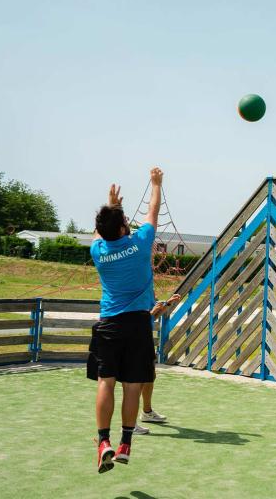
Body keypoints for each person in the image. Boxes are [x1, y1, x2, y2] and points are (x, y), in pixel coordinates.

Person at [88, 167, 164, 474]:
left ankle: (103, 442)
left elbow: (101, 232)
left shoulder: (98, 250)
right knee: (132, 386)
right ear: (122, 229)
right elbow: (153, 210)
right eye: (124, 221)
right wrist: (157, 183)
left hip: (108, 325)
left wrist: (111, 205)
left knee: (106, 382)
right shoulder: (140, 243)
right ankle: (125, 443)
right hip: (137, 324)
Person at [131, 296, 181, 436]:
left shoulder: (146, 291)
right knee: (137, 381)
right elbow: (136, 321)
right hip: (135, 339)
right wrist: (152, 312)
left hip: (145, 339)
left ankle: (147, 412)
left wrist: (166, 304)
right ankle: (130, 424)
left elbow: (152, 317)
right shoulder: (135, 293)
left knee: (149, 376)